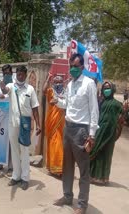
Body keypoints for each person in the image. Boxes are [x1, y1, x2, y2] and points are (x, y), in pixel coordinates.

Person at [52, 53, 99, 214]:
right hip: (68, 128)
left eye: (75, 66)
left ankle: (82, 204)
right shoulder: (70, 84)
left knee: (83, 170)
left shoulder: (89, 84)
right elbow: (67, 104)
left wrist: (91, 135)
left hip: (81, 131)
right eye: (70, 66)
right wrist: (57, 102)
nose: (72, 69)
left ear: (82, 67)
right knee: (67, 166)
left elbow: (94, 110)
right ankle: (67, 196)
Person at [0, 65, 41, 190]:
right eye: (18, 74)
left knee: (24, 151)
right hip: (13, 124)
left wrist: (38, 124)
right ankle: (16, 176)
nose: (20, 76)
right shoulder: (12, 86)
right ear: (16, 75)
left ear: (25, 74)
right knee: (15, 150)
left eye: (22, 74)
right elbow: (5, 91)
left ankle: (25, 178)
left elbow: (35, 107)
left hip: (25, 125)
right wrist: (2, 87)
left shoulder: (30, 89)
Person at [90, 81, 124, 186]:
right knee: (96, 152)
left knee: (106, 155)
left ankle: (103, 178)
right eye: (104, 88)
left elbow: (121, 121)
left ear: (113, 89)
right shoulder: (101, 102)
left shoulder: (118, 104)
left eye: (108, 88)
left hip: (109, 134)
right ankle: (93, 175)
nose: (106, 90)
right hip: (99, 131)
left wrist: (116, 131)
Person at [43, 74, 65, 176]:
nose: (58, 83)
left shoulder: (66, 93)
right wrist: (48, 78)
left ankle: (59, 168)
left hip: (62, 122)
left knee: (59, 143)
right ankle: (52, 167)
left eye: (60, 81)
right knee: (52, 143)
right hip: (51, 120)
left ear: (63, 82)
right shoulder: (50, 91)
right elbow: (43, 90)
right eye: (56, 82)